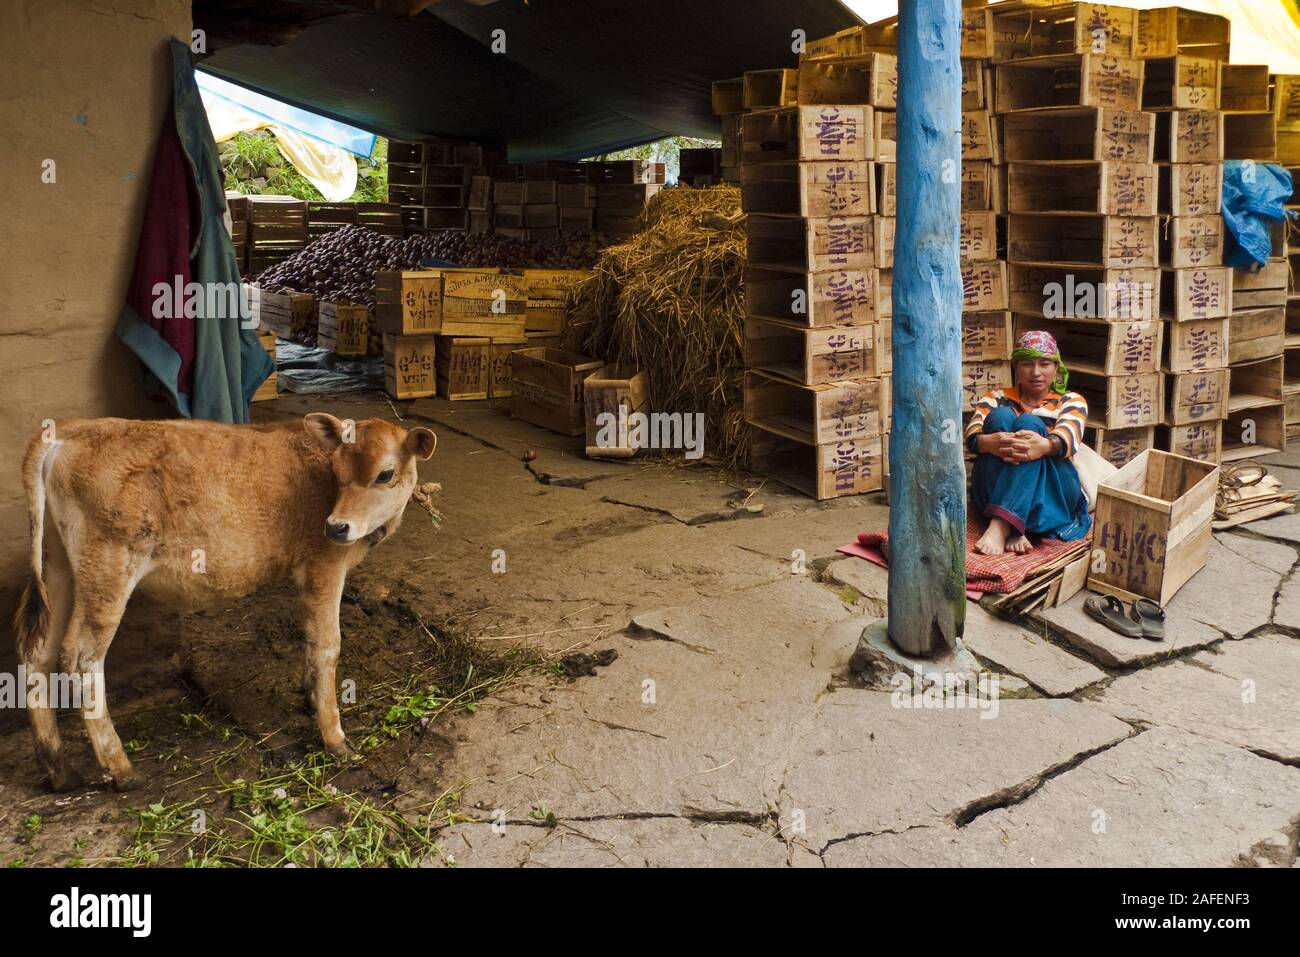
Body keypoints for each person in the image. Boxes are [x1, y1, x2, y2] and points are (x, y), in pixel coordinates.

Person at [964, 330, 1091, 556]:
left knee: (1030, 424)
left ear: (1055, 369)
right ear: (1016, 368)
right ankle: (1014, 524)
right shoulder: (995, 397)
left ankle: (1001, 525)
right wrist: (988, 442)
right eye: (1027, 364)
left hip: (1050, 495)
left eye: (1044, 364)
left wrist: (1043, 446)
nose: (1036, 372)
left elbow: (1067, 438)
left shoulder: (1071, 401)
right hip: (992, 489)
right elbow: (972, 436)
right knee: (1001, 416)